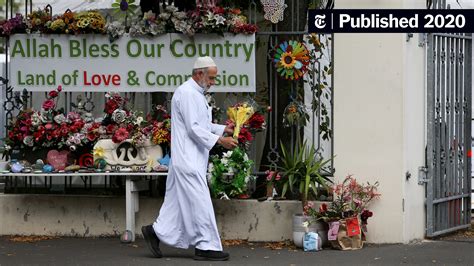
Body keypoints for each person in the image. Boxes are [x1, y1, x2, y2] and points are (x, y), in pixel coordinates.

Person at [141, 56, 238, 261]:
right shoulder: (187, 93)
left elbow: (200, 125)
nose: (213, 82)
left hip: (188, 158)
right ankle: (206, 245)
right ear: (199, 74)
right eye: (211, 78)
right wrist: (221, 140)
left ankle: (155, 232)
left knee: (176, 205)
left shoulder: (194, 93)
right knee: (200, 203)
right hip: (188, 160)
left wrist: (223, 129)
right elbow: (194, 129)